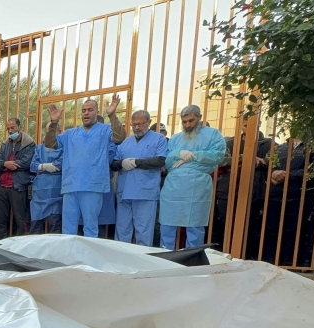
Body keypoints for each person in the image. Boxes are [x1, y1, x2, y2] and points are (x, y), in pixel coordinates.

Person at [44, 95, 126, 237]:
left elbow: (120, 138)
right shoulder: (71, 133)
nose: (86, 113)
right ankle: (67, 258)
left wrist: (112, 115)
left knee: (90, 228)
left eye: (90, 110)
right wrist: (54, 122)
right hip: (71, 185)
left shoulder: (104, 129)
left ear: (97, 112)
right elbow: (50, 144)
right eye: (83, 110)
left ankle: (88, 258)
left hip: (92, 186)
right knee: (68, 229)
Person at [159, 105, 226, 250]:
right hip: (173, 186)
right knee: (167, 223)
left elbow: (217, 156)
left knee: (194, 225)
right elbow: (167, 161)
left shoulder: (213, 134)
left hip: (198, 185)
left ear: (199, 118)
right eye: (184, 122)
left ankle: (192, 258)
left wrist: (192, 156)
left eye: (191, 121)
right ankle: (165, 256)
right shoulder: (175, 139)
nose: (187, 125)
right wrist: (179, 153)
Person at [111, 109, 168, 246]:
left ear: (149, 122)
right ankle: (119, 260)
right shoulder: (125, 142)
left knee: (143, 231)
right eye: (134, 124)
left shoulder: (159, 139)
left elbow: (160, 161)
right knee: (122, 230)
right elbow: (113, 164)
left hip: (145, 192)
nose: (137, 127)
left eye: (141, 124)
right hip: (125, 192)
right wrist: (121, 163)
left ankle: (142, 261)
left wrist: (137, 163)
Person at [0, 118, 36, 240]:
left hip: (18, 186)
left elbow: (27, 163)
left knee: (21, 219)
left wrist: (9, 164)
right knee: (0, 219)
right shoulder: (5, 144)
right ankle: (1, 245)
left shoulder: (29, 143)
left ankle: (20, 246)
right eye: (8, 129)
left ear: (19, 127)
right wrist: (5, 164)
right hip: (2, 186)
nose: (10, 131)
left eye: (13, 128)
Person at [28, 123, 63, 234]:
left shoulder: (64, 148)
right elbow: (32, 166)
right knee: (36, 225)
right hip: (39, 191)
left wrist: (41, 166)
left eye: (52, 131)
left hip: (56, 191)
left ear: (59, 131)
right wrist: (44, 166)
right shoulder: (39, 148)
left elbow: (60, 165)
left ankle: (54, 251)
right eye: (48, 131)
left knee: (55, 225)